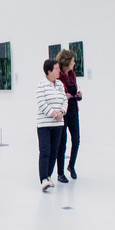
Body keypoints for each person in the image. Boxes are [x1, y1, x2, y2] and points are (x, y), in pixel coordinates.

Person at [36, 59, 68, 192]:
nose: (58, 71)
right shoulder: (41, 85)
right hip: (44, 124)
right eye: (56, 68)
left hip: (58, 124)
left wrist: (62, 112)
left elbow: (65, 100)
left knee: (54, 151)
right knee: (45, 151)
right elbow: (41, 103)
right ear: (49, 71)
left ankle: (48, 176)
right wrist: (54, 113)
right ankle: (43, 179)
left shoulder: (60, 84)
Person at [54, 49, 81, 181]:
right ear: (66, 62)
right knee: (62, 143)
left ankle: (71, 166)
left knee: (76, 140)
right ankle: (60, 173)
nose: (74, 63)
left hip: (74, 111)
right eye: (72, 61)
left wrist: (78, 96)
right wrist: (63, 96)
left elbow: (74, 92)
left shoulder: (73, 76)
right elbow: (56, 95)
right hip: (63, 113)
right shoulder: (58, 77)